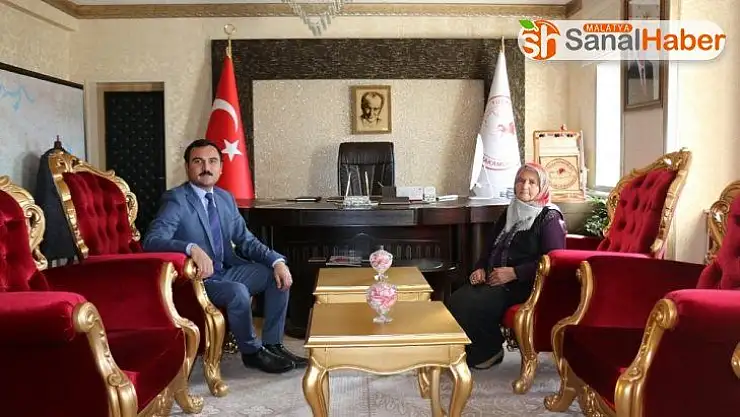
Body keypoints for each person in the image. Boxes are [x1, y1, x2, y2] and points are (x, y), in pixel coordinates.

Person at [143, 139, 306, 374]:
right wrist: (190, 248)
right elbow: (152, 241)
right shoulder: (176, 199)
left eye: (212, 161)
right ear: (187, 167)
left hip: (225, 270)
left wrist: (277, 261)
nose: (205, 167)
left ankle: (273, 345)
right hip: (197, 280)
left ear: (221, 168)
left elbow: (246, 240)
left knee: (276, 275)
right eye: (198, 161)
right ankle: (252, 352)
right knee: (237, 291)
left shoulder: (225, 198)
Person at [448, 162, 566, 369]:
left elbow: (554, 261)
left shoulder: (549, 217)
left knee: (469, 304)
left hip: (526, 285)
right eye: (520, 180)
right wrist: (480, 268)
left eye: (532, 182)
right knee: (455, 299)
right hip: (496, 280)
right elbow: (490, 248)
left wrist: (514, 273)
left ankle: (488, 351)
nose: (524, 186)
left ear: (542, 187)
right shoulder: (511, 210)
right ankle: (481, 349)